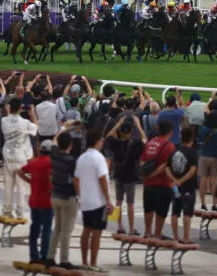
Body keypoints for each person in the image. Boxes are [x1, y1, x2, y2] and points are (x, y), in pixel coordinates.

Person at [73, 128, 114, 272]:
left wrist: (80, 194)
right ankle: (93, 262)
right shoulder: (99, 158)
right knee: (97, 233)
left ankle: (84, 261)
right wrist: (108, 200)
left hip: (86, 201)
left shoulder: (82, 157)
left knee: (86, 231)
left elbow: (76, 178)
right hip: (98, 202)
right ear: (97, 141)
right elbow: (102, 178)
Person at [104, 117, 145, 235]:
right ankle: (132, 229)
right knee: (130, 203)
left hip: (118, 173)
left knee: (118, 201)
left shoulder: (116, 143)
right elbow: (144, 139)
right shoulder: (136, 144)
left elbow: (108, 136)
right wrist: (138, 125)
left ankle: (120, 226)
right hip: (130, 174)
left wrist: (118, 123)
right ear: (130, 132)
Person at [45, 132, 78, 270]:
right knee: (66, 230)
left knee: (57, 228)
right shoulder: (71, 160)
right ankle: (64, 259)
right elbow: (75, 179)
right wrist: (79, 195)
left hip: (55, 195)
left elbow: (53, 141)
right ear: (70, 145)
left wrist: (64, 128)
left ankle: (50, 257)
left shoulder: (54, 154)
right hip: (67, 196)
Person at [18, 139, 53, 264]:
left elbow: (20, 171)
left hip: (34, 201)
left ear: (40, 150)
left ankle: (34, 256)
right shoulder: (51, 163)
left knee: (34, 230)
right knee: (47, 230)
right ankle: (44, 256)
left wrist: (29, 181)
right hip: (47, 202)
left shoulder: (33, 163)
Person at [1, 97, 38, 218]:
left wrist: (9, 110)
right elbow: (36, 128)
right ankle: (20, 212)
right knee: (20, 186)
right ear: (20, 109)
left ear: (9, 108)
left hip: (8, 156)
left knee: (8, 186)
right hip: (20, 157)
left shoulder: (3, 121)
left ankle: (7, 210)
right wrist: (32, 115)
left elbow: (9, 119)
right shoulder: (25, 123)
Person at [140, 120, 175, 239]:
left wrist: (147, 175)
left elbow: (143, 162)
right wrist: (154, 174)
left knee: (148, 208)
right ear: (170, 132)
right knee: (161, 210)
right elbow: (166, 165)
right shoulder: (169, 146)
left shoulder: (150, 143)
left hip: (148, 184)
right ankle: (157, 233)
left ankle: (147, 232)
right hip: (162, 183)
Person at [166, 127, 198, 244]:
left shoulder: (174, 151)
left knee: (175, 211)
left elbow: (167, 168)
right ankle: (186, 237)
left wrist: (174, 180)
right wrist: (182, 180)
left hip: (175, 187)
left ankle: (175, 236)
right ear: (192, 139)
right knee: (187, 212)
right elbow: (192, 170)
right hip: (188, 187)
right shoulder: (192, 152)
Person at [199, 110, 217, 211]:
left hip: (204, 156)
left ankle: (203, 203)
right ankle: (214, 204)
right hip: (215, 157)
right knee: (214, 181)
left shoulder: (203, 129)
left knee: (203, 179)